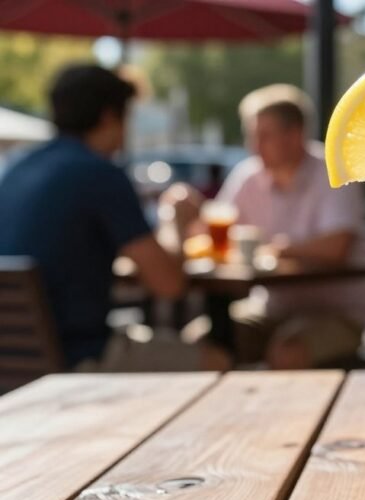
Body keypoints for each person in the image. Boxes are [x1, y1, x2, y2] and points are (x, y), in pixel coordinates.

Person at [0, 64, 228, 372]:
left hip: (14, 360)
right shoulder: (99, 174)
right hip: (75, 358)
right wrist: (175, 220)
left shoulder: (16, 170)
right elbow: (169, 285)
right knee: (217, 361)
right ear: (109, 116)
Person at [165, 84, 365, 370]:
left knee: (287, 351)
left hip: (334, 314)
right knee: (196, 345)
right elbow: (213, 234)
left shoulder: (333, 172)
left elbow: (338, 247)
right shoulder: (249, 175)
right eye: (252, 135)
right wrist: (185, 214)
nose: (254, 146)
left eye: (264, 136)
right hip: (269, 310)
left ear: (295, 134)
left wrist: (280, 249)